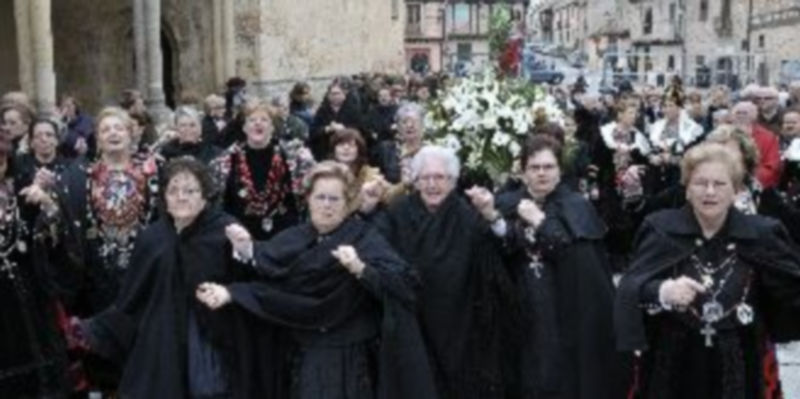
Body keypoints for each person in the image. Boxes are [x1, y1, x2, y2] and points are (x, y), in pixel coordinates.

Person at [196, 161, 438, 399]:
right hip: (303, 351)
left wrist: (361, 269)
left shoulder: (364, 237)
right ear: (308, 200)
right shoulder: (295, 236)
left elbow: (403, 284)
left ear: (347, 203)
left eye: (334, 199)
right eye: (320, 197)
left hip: (350, 354)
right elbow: (269, 274)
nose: (326, 205)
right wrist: (243, 255)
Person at [73, 158, 271, 398]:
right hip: (161, 338)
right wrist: (93, 329)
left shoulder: (225, 230)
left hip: (210, 339)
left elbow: (250, 280)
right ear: (164, 198)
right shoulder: (152, 237)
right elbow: (132, 297)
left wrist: (244, 252)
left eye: (190, 191)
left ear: (204, 196)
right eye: (173, 191)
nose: (181, 197)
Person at [615, 142, 800, 398]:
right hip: (671, 363)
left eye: (720, 184)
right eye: (700, 183)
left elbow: (789, 288)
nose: (710, 192)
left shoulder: (762, 233)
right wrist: (663, 291)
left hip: (744, 360)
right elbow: (630, 287)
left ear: (735, 190)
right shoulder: (660, 229)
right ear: (687, 189)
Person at [373, 146, 517, 398]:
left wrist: (491, 215)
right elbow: (376, 245)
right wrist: (365, 210)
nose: (432, 185)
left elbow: (499, 252)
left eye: (439, 177)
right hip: (415, 319)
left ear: (452, 181)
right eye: (425, 178)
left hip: (461, 324)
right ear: (416, 181)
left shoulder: (468, 214)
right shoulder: (398, 212)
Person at [491, 135, 624, 399]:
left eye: (548, 167)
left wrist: (540, 222)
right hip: (518, 306)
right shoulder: (505, 204)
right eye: (534, 167)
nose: (542, 173)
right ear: (523, 172)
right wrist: (493, 220)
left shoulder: (577, 206)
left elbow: (582, 263)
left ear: (560, 171)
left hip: (563, 307)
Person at [0, 135, 68, 397]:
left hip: (27, 293)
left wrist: (48, 203)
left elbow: (54, 239)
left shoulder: (21, 192)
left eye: (2, 159)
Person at [210, 103, 301, 240]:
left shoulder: (293, 157)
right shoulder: (224, 161)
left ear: (272, 127)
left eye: (264, 120)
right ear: (244, 128)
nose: (258, 123)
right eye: (252, 120)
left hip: (284, 233)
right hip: (240, 233)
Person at [731, 101, 782, 188]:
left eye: (745, 113)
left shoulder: (768, 137)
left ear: (754, 116)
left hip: (756, 183)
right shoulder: (722, 135)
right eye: (738, 113)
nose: (741, 116)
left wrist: (748, 178)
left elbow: (772, 167)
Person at [309, 81, 363, 160]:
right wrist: (327, 129)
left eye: (337, 93)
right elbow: (313, 131)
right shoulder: (322, 111)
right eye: (332, 94)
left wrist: (344, 129)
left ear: (344, 95)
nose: (335, 96)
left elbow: (360, 129)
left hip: (347, 145)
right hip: (326, 148)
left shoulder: (353, 110)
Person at [58, 94, 96, 160]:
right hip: (64, 158)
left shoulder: (86, 120)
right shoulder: (60, 122)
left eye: (69, 106)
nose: (66, 109)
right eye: (63, 106)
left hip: (83, 158)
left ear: (75, 107)